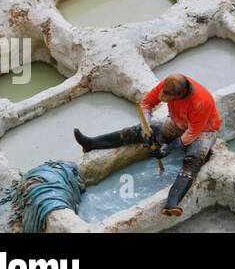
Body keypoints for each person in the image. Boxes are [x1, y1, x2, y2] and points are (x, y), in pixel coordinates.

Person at [73, 73, 221, 217]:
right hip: (177, 122)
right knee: (137, 131)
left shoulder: (200, 101)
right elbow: (147, 103)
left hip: (204, 130)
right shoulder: (169, 84)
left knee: (192, 160)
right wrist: (147, 128)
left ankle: (172, 203)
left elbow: (191, 135)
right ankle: (91, 143)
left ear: (181, 93)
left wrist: (168, 148)